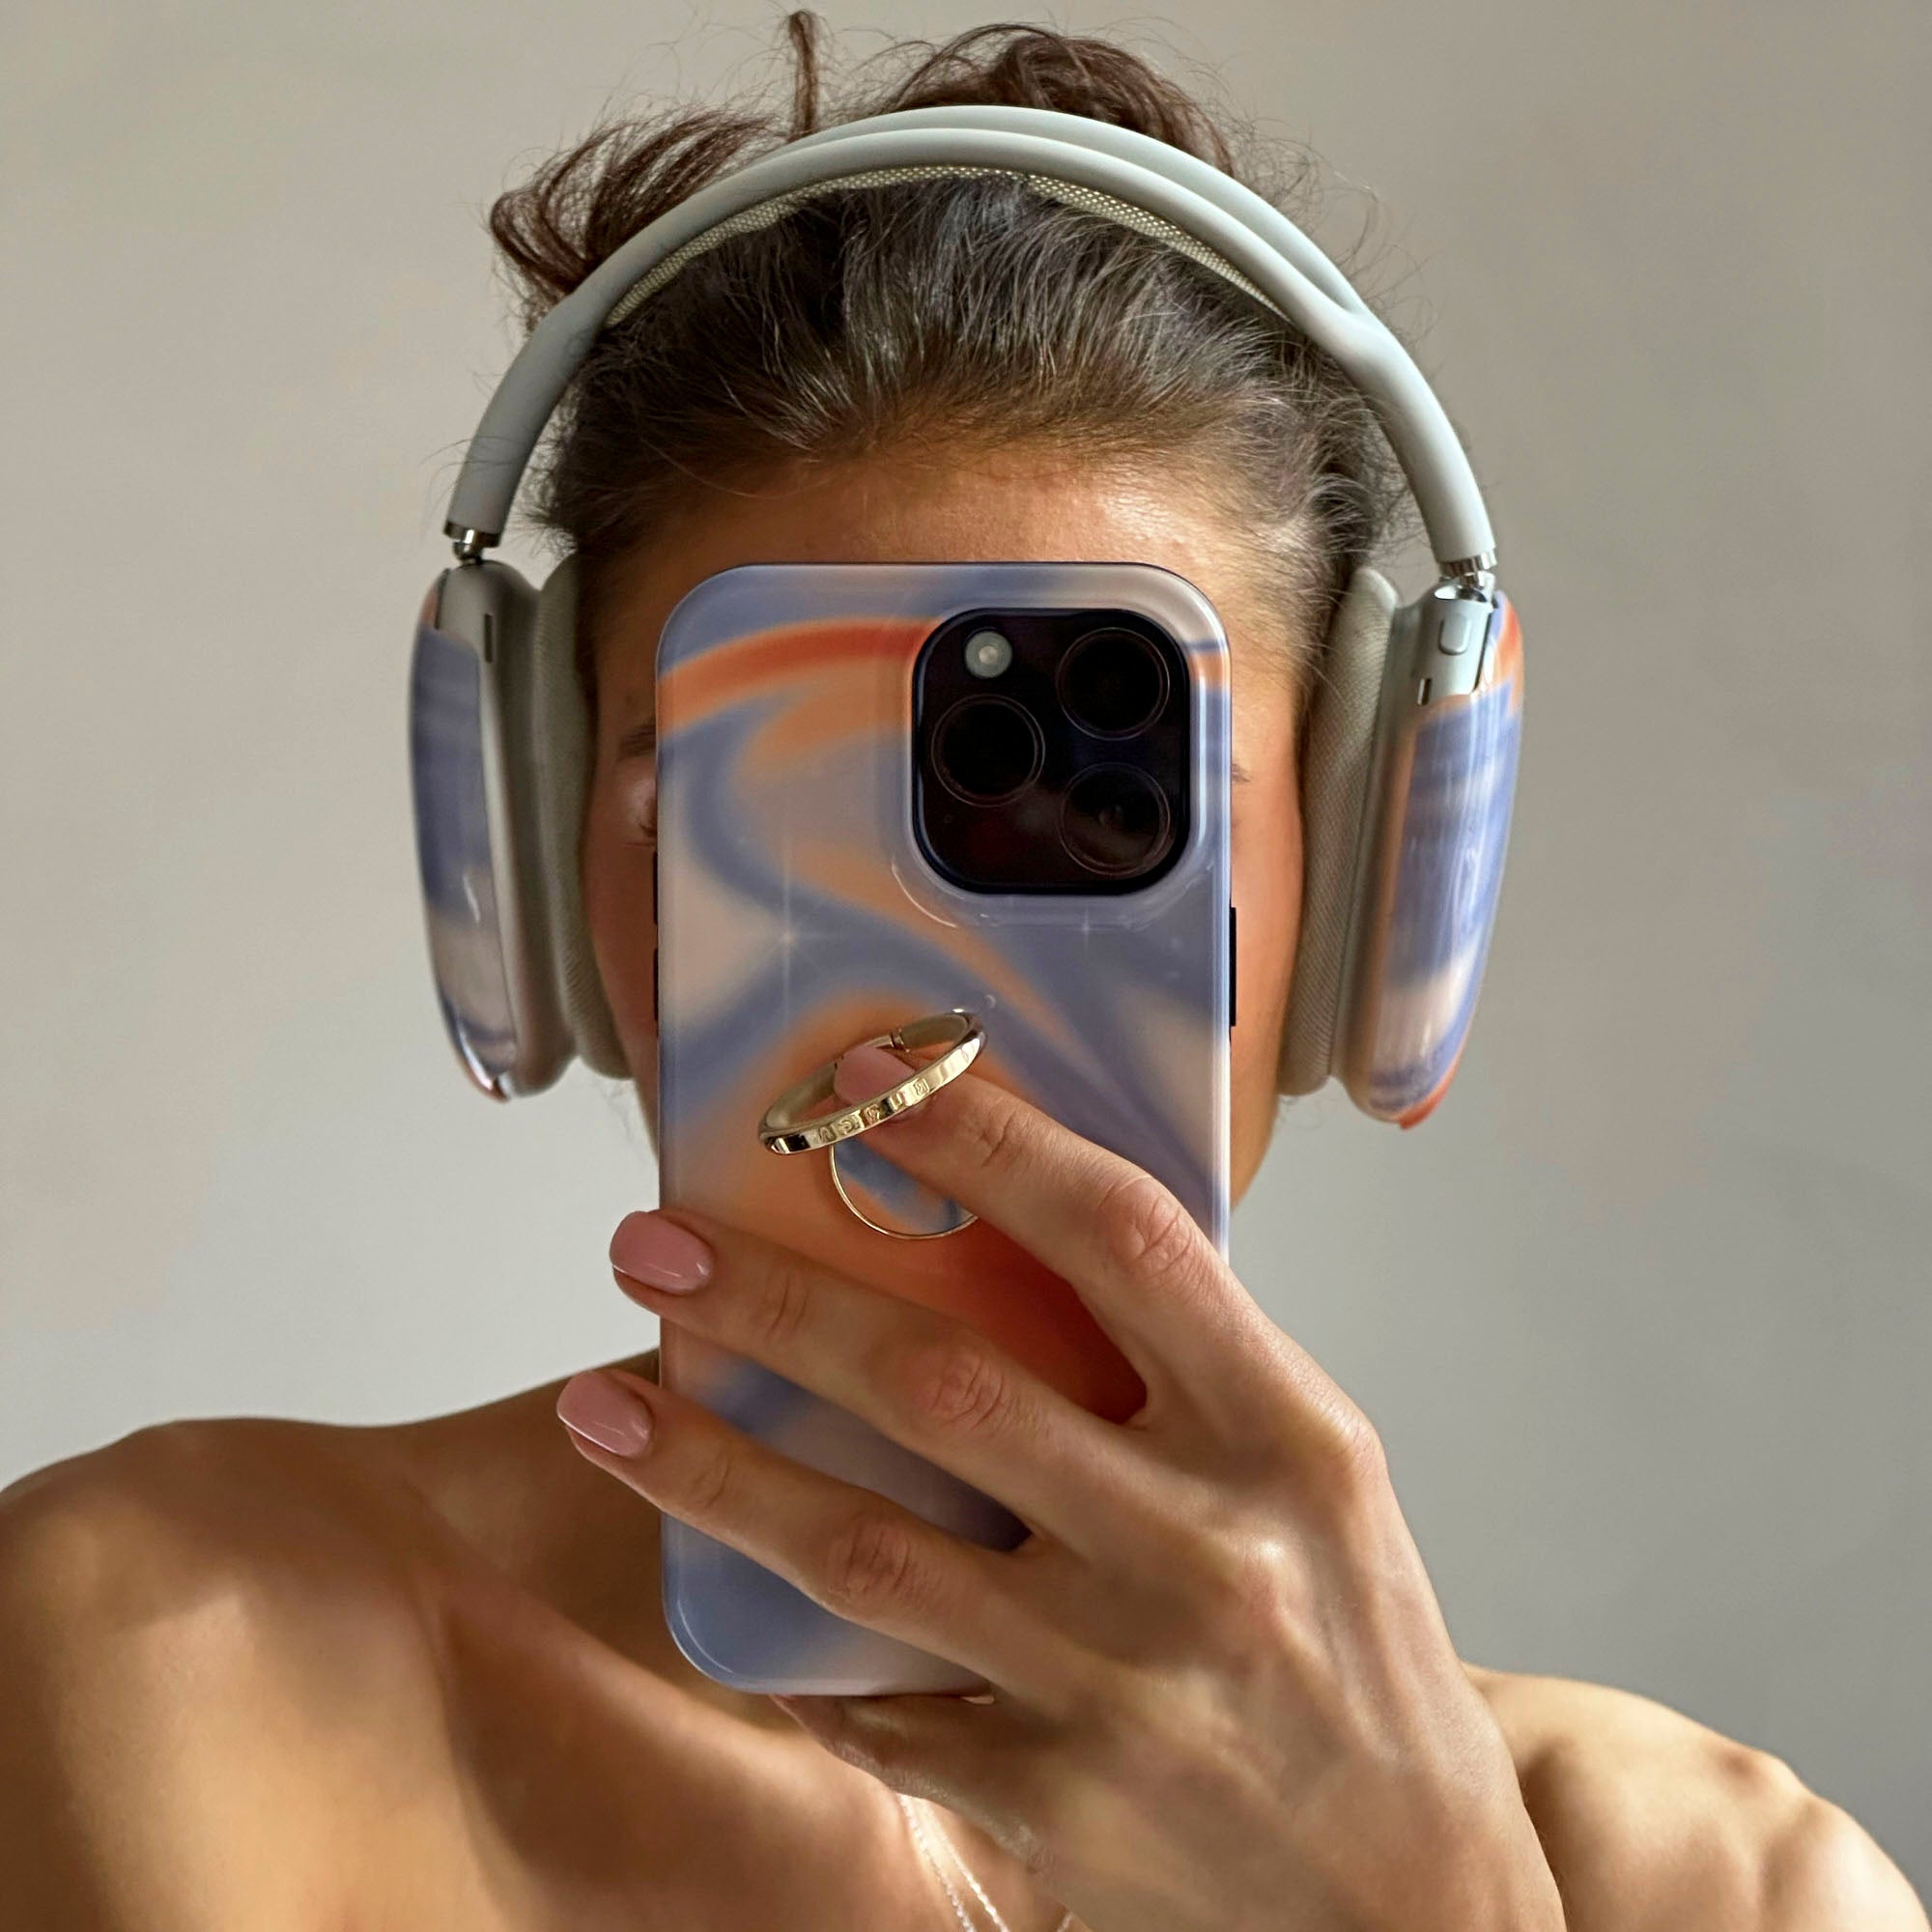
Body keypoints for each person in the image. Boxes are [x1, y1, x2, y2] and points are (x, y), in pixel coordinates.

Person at [1, 18, 1922, 1930]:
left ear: (1364, 905)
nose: (927, 1031)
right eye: (762, 815)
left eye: (1107, 824)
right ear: (542, 861)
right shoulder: (155, 1660)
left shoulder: (1730, 1890)